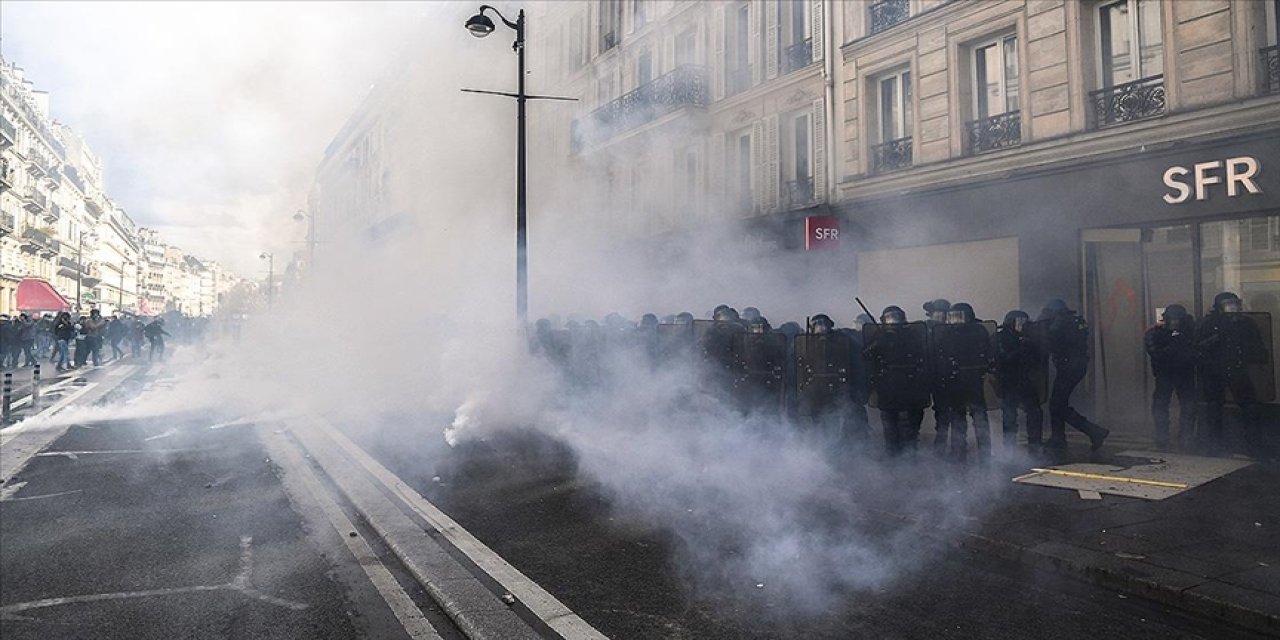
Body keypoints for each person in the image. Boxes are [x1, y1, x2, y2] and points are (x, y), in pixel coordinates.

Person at [1195, 292, 1268, 457]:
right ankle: (1215, 445)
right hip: (1214, 371)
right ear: (1219, 307)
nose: (1233, 307)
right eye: (1229, 304)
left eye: (1235, 303)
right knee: (1214, 407)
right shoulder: (1209, 323)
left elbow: (1257, 345)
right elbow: (1198, 346)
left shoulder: (1246, 323)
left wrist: (1259, 358)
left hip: (1237, 368)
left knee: (1250, 405)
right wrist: (1216, 337)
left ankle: (1253, 444)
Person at [1040, 299, 1109, 455]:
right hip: (1076, 366)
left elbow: (1049, 340)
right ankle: (1059, 438)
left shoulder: (1059, 323)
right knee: (1058, 404)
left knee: (1057, 405)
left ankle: (1093, 431)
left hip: (1068, 367)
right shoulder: (1074, 321)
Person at [937, 303, 993, 461]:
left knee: (979, 418)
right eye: (953, 316)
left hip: (974, 381)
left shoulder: (978, 331)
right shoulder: (947, 333)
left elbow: (987, 353)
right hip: (955, 382)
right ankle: (958, 452)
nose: (956, 320)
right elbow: (941, 355)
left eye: (959, 316)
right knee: (957, 419)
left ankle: (985, 454)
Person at [1144, 304, 1197, 449]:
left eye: (1178, 319)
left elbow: (1196, 352)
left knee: (1189, 407)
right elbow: (1156, 353)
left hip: (1184, 373)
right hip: (1165, 374)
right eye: (1172, 319)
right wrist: (1174, 343)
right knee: (1160, 406)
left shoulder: (1190, 332)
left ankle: (1186, 437)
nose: (1175, 322)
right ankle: (1162, 436)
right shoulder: (1155, 333)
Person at [995, 310, 1044, 454]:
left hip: (1025, 379)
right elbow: (1004, 358)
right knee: (1009, 414)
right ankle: (1009, 446)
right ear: (1010, 323)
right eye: (1019, 322)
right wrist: (1021, 348)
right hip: (1008, 380)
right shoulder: (1001, 338)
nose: (1022, 325)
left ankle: (1035, 444)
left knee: (1034, 412)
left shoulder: (1029, 339)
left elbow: (1038, 360)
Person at [923, 298, 953, 457]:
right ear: (932, 313)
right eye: (939, 312)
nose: (941, 316)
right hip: (923, 375)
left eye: (944, 313)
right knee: (915, 412)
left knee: (943, 414)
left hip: (943, 376)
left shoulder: (950, 330)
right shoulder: (921, 329)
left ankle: (940, 448)